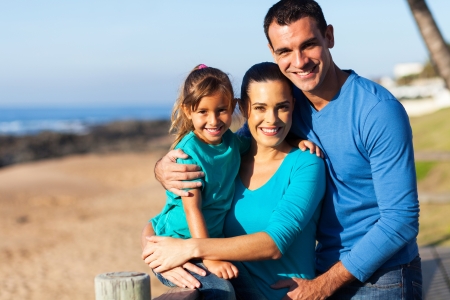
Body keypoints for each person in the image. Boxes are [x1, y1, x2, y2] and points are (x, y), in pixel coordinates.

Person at [147, 1, 422, 299]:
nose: (299, 61)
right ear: (272, 52)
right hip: (322, 268)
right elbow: (229, 141)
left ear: (329, 36)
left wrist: (324, 284)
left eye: (309, 45)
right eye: (285, 51)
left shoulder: (377, 110)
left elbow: (401, 219)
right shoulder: (293, 102)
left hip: (382, 278)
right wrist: (164, 167)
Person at [143, 62, 326, 300]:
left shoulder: (306, 163)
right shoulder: (227, 158)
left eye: (281, 107)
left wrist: (188, 249)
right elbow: (163, 219)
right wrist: (159, 258)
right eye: (260, 107)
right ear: (244, 108)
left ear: (293, 105)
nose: (271, 119)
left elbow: (274, 243)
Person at [147, 64, 250, 300]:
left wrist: (296, 141)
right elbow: (193, 211)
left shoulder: (232, 143)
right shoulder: (188, 155)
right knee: (221, 292)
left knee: (251, 291)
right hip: (176, 246)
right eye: (203, 111)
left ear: (233, 106)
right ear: (187, 110)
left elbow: (259, 146)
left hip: (208, 244)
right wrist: (210, 257)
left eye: (221, 110)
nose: (213, 120)